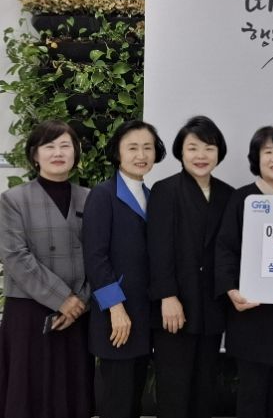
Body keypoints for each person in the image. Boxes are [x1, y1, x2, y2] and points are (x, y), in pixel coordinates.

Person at [0, 120, 93, 418]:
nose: (58, 152)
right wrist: (62, 299)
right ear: (34, 155)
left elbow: (100, 256)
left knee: (71, 391)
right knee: (29, 392)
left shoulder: (90, 198)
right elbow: (15, 256)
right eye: (49, 146)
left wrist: (80, 302)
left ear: (76, 153)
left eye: (65, 145)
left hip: (78, 313)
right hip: (29, 312)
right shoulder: (13, 199)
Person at [215, 125, 273, 418]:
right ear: (257, 158)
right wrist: (232, 290)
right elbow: (225, 249)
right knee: (251, 397)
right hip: (252, 316)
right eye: (267, 152)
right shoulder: (243, 199)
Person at [147, 116, 234, 418]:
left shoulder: (228, 194)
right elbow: (158, 249)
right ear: (180, 152)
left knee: (204, 390)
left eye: (209, 148)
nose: (201, 156)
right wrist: (167, 296)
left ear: (219, 152)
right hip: (175, 306)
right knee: (174, 390)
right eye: (193, 148)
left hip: (211, 307)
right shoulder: (165, 190)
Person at [82, 120, 166, 418]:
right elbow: (95, 257)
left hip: (143, 315)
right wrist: (115, 307)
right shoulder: (102, 195)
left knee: (134, 400)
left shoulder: (153, 196)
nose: (141, 155)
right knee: (117, 402)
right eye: (132, 148)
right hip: (116, 316)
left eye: (147, 148)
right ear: (118, 153)